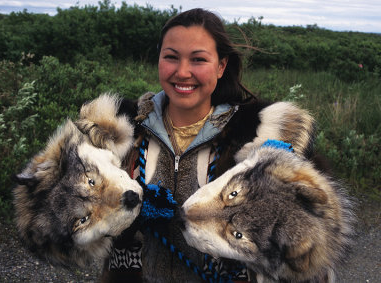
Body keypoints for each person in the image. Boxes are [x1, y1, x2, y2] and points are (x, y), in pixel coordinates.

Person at [99, 8, 316, 283]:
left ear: (221, 66)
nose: (183, 72)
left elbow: (302, 244)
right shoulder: (120, 130)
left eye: (198, 59)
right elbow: (60, 222)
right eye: (171, 57)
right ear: (158, 60)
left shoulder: (259, 141)